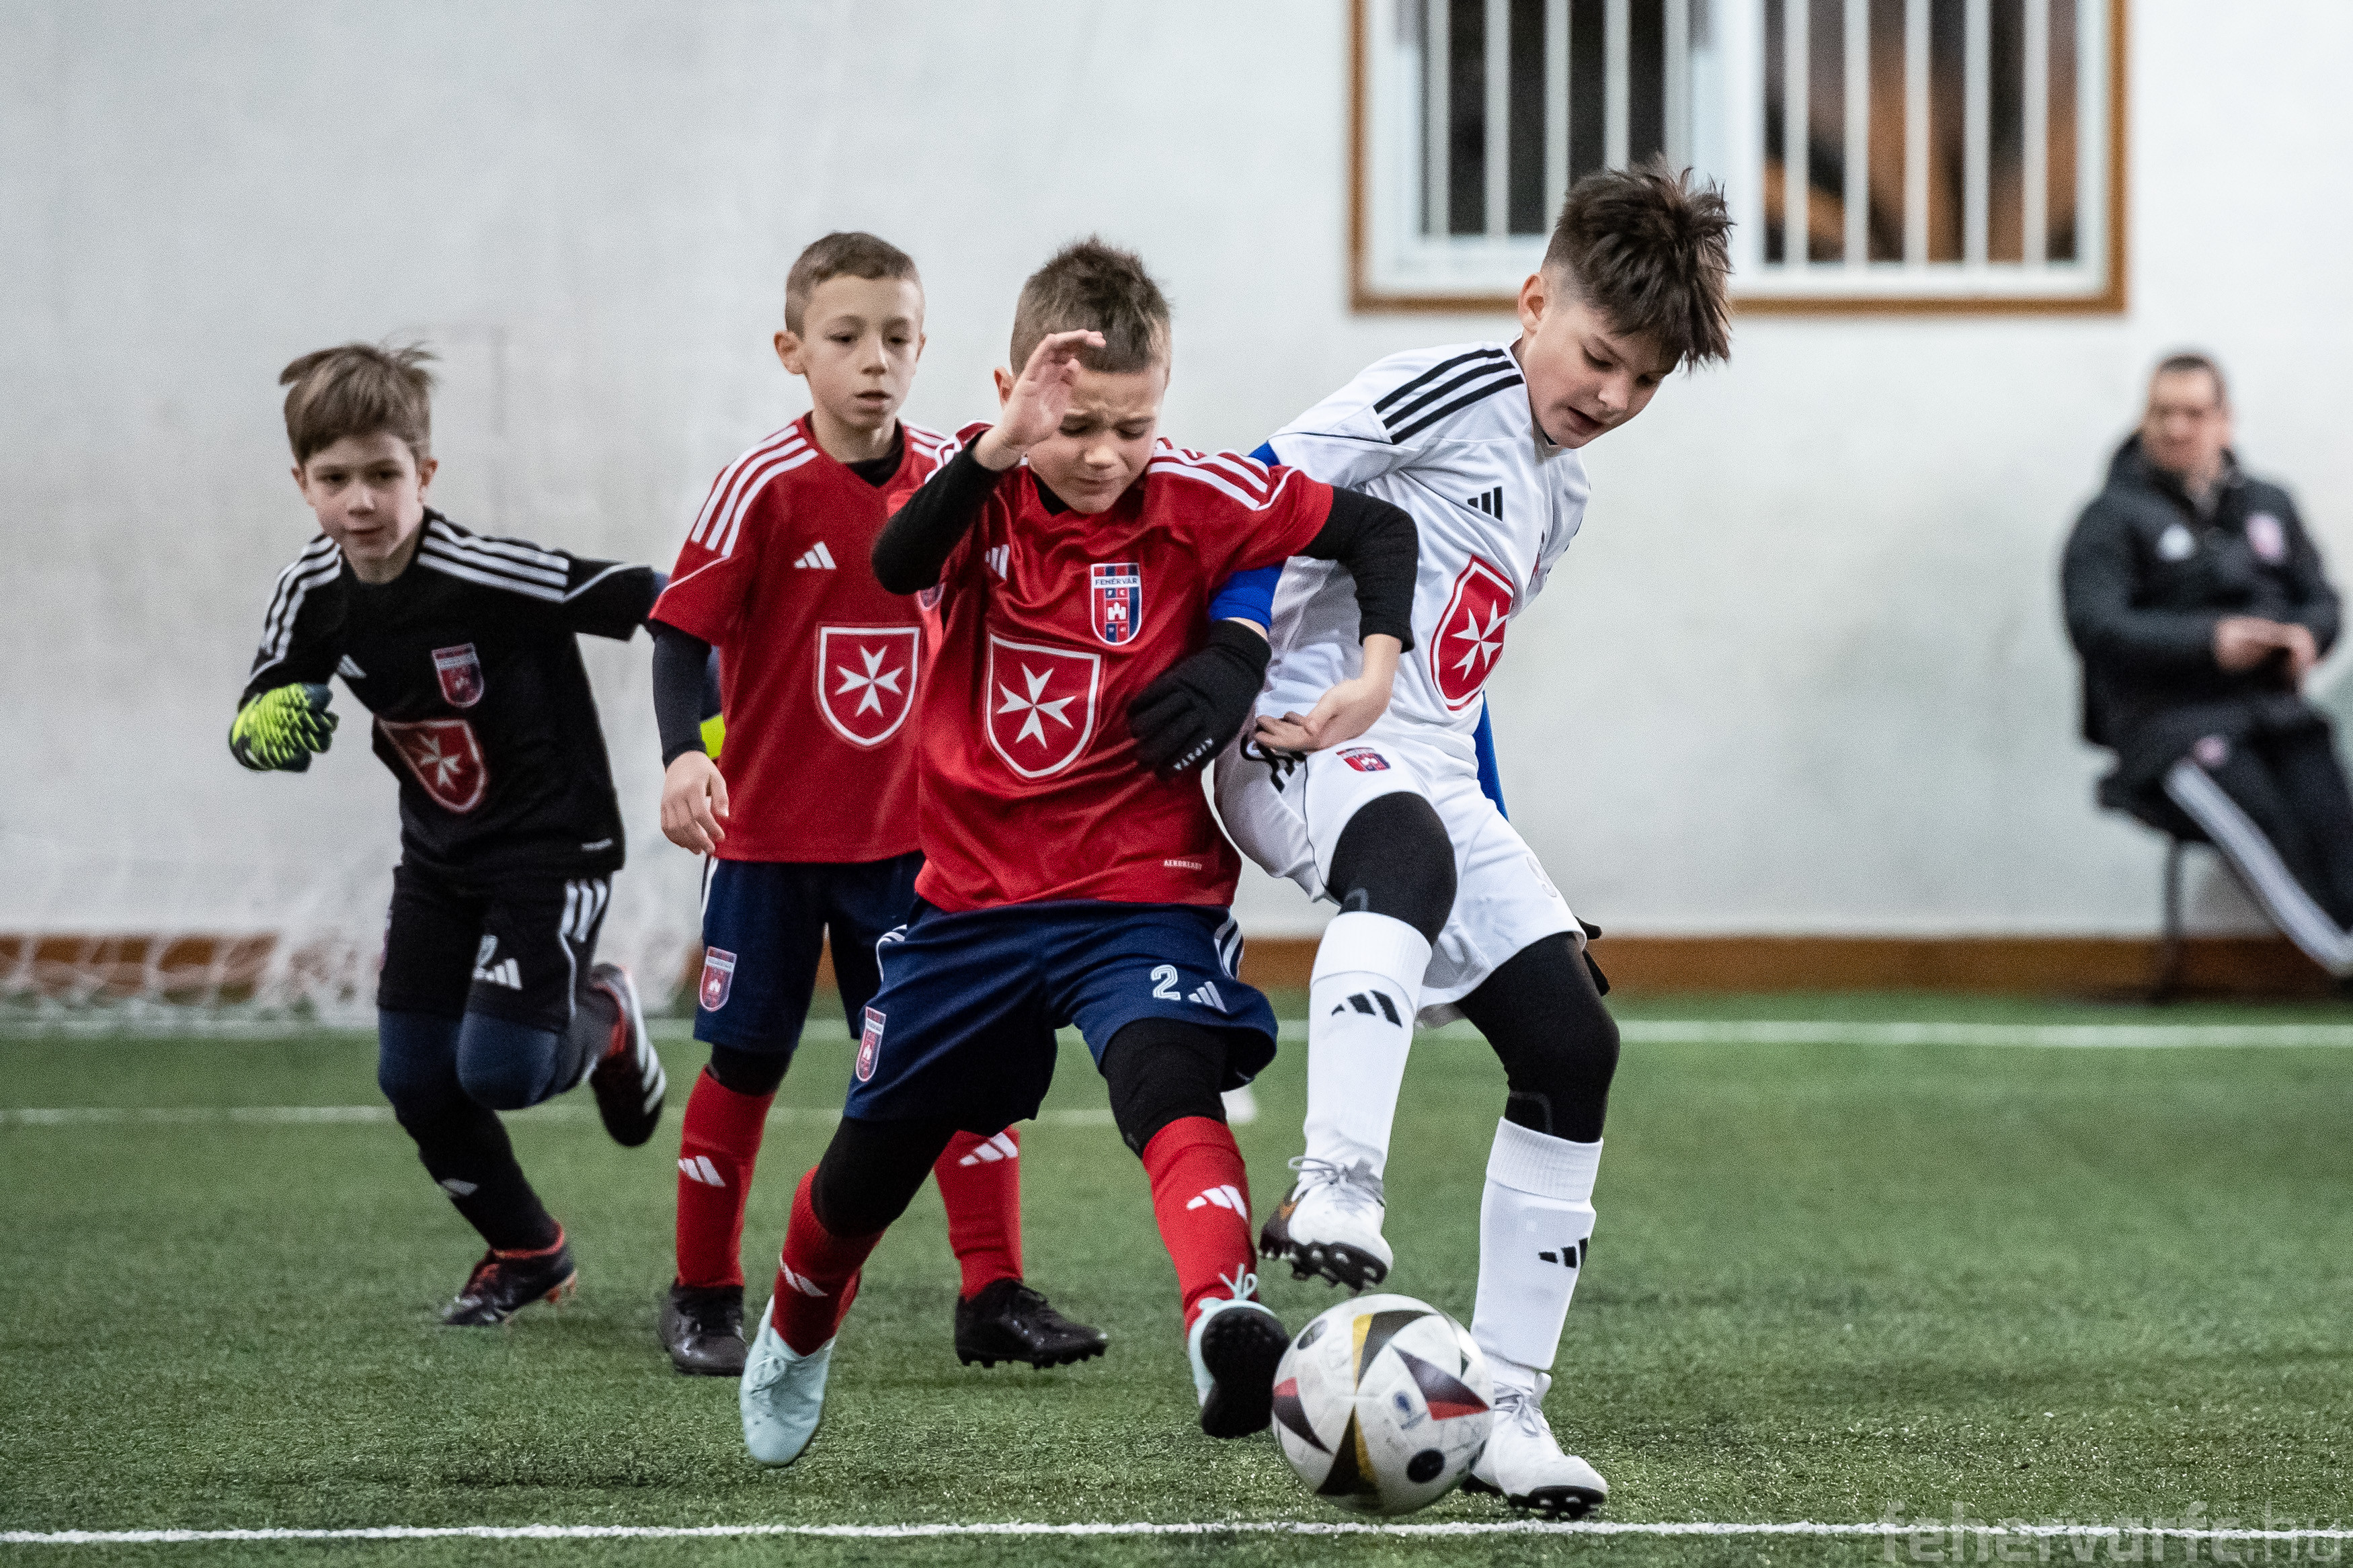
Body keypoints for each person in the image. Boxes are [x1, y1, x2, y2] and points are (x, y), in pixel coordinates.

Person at [733, 239, 1421, 1467]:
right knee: (866, 1169)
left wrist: (1369, 672)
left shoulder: (1200, 495)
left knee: (1169, 1078)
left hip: (1138, 888)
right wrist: (1003, 445)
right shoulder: (974, 488)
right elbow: (895, 565)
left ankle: (1219, 1317)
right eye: (1076, 425)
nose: (1104, 454)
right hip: (971, 901)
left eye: (1132, 426)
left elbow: (1375, 531)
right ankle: (796, 1326)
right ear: (1013, 393)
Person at [1208, 163, 1734, 1517]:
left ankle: (1505, 1405)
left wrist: (1510, 855)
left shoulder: (1564, 497)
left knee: (1571, 1042)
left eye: (1645, 380)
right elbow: (1254, 492)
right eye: (1600, 355)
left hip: (1431, 775)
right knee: (1406, 854)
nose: (1612, 394)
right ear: (1533, 299)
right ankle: (1333, 1186)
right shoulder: (1441, 392)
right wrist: (1233, 662)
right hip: (1298, 732)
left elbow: (1459, 683)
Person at [645, 233, 1101, 1376]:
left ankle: (993, 1291)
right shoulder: (761, 484)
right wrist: (682, 756)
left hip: (920, 847)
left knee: (954, 1061)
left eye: (898, 337)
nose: (875, 360)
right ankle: (703, 1292)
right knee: (746, 1063)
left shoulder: (958, 474)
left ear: (924, 345)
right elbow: (680, 633)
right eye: (846, 336)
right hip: (768, 843)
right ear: (792, 350)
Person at [230, 341, 670, 1325]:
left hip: (551, 850)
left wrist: (710, 735)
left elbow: (659, 598)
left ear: (423, 473)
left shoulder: (487, 571)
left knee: (499, 1072)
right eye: (334, 479)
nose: (360, 502)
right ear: (301, 483)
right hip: (437, 859)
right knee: (415, 1080)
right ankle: (527, 1250)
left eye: (382, 475)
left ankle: (606, 1016)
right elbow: (261, 701)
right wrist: (261, 731)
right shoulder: (311, 590)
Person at [2064, 352, 2353, 973]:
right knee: (2265, 820)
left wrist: (2307, 637)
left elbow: (2322, 600)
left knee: (2333, 815)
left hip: (2275, 712)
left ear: (2225, 421)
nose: (2176, 427)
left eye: (2193, 413)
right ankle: (2340, 953)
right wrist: (2208, 641)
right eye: (2162, 412)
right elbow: (2097, 626)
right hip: (2171, 728)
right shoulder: (2110, 519)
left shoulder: (2269, 505)